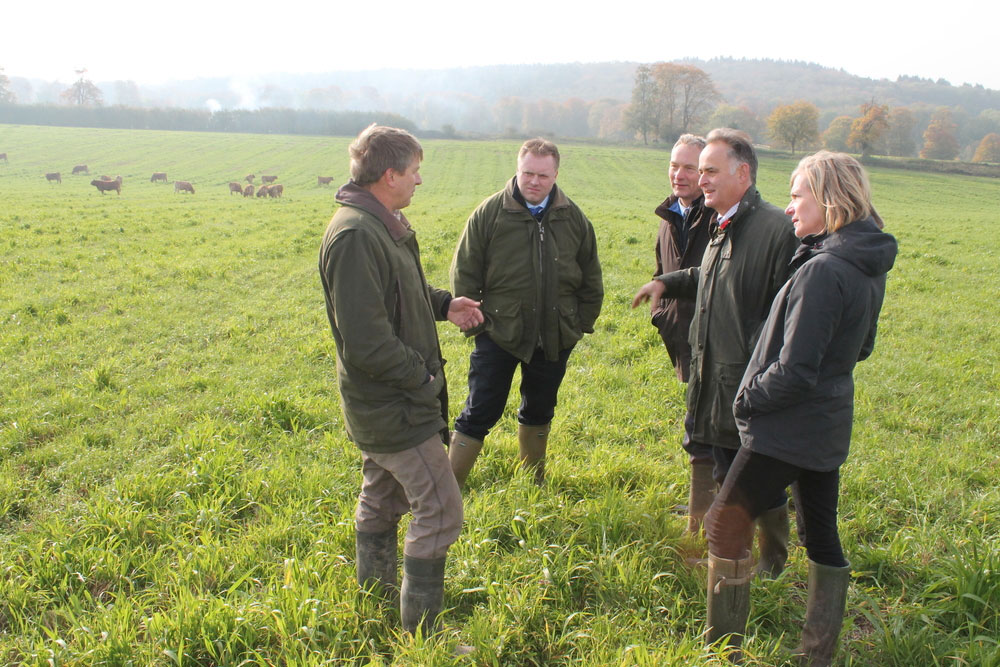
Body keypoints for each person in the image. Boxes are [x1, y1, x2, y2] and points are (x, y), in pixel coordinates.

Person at [701, 151, 897, 664]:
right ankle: (817, 655)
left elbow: (794, 370)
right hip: (827, 423)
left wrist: (749, 396)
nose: (790, 208)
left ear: (828, 199)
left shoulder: (825, 269)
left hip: (784, 429)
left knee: (723, 524)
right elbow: (862, 347)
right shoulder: (865, 261)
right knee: (821, 536)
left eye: (797, 195)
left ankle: (723, 651)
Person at [318, 124, 483, 639]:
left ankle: (376, 604)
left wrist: (443, 304)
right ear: (389, 175)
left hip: (387, 401)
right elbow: (367, 342)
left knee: (382, 497)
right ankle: (423, 634)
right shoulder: (355, 235)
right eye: (414, 171)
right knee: (440, 509)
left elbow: (397, 292)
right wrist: (423, 377)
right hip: (394, 403)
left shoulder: (379, 221)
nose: (419, 181)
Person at [632, 128, 798, 570]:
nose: (701, 179)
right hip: (717, 375)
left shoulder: (775, 230)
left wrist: (763, 370)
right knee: (729, 470)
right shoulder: (725, 224)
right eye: (697, 170)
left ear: (742, 173)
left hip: (747, 380)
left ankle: (763, 562)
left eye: (709, 170)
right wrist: (666, 282)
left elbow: (789, 313)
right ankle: (744, 558)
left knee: (752, 478)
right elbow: (709, 277)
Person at [448, 138, 604, 487]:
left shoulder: (574, 219)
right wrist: (477, 325)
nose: (534, 182)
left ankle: (533, 480)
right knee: (480, 410)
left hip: (554, 336)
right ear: (517, 170)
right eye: (527, 173)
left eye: (543, 176)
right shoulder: (490, 213)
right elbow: (465, 272)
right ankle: (450, 485)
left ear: (556, 174)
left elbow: (591, 277)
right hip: (498, 333)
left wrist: (578, 326)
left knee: (540, 409)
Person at [649, 134, 715, 534]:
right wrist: (662, 315)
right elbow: (663, 273)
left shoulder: (719, 215)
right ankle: (702, 512)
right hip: (684, 340)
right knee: (699, 426)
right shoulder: (669, 215)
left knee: (707, 431)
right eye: (675, 165)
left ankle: (704, 522)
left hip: (718, 342)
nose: (680, 174)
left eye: (691, 167)